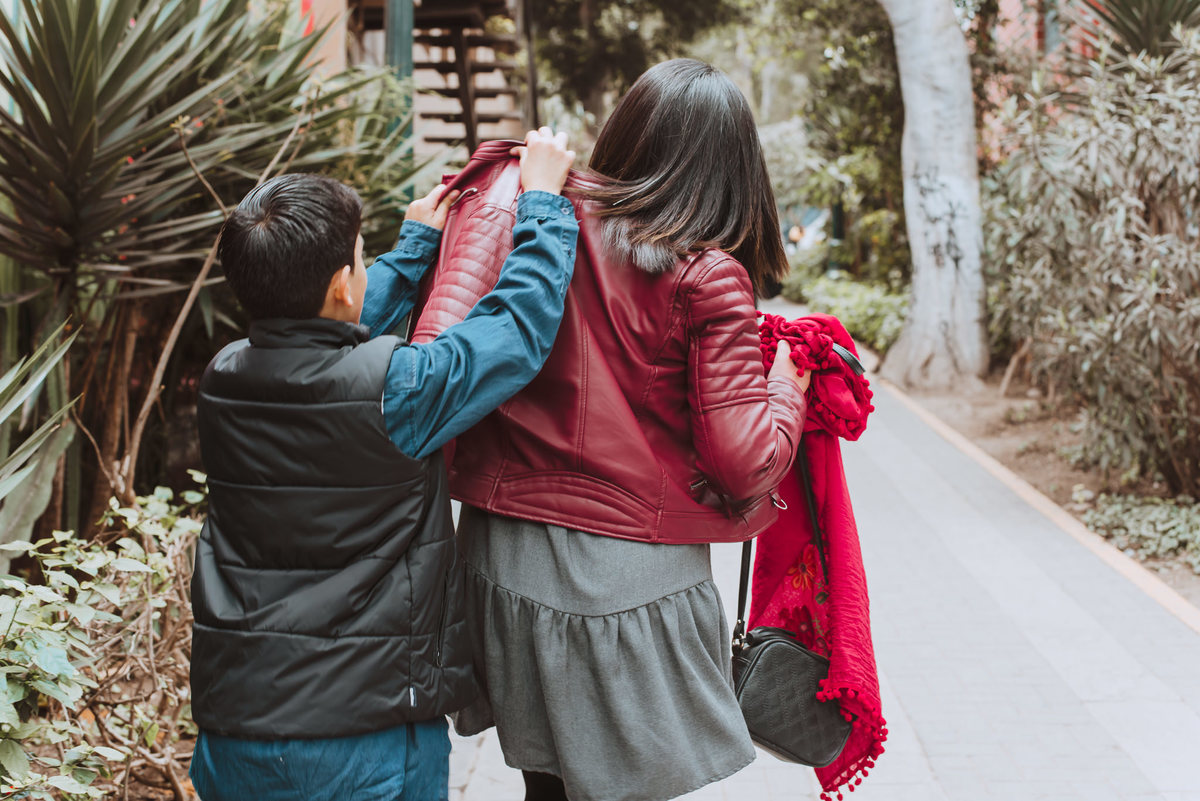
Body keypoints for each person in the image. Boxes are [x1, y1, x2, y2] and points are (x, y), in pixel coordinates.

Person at [427, 60, 812, 801]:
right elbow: (744, 462)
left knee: (546, 778)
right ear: (735, 168)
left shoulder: (540, 215)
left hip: (502, 556)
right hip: (622, 581)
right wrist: (786, 389)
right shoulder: (706, 273)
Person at [186, 129, 577, 801]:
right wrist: (541, 204)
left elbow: (316, 330)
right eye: (362, 261)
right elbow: (515, 331)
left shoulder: (222, 381)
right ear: (343, 284)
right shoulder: (400, 391)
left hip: (235, 734)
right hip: (365, 741)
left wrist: (414, 245)